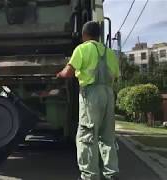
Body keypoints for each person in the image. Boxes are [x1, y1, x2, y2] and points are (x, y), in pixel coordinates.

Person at [56, 21, 120, 180]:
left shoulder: (82, 49)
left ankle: (89, 176)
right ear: (98, 35)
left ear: (84, 35)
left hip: (91, 95)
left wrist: (59, 74)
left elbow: (68, 72)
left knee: (87, 136)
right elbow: (116, 76)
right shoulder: (110, 53)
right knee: (107, 137)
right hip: (108, 94)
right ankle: (111, 174)